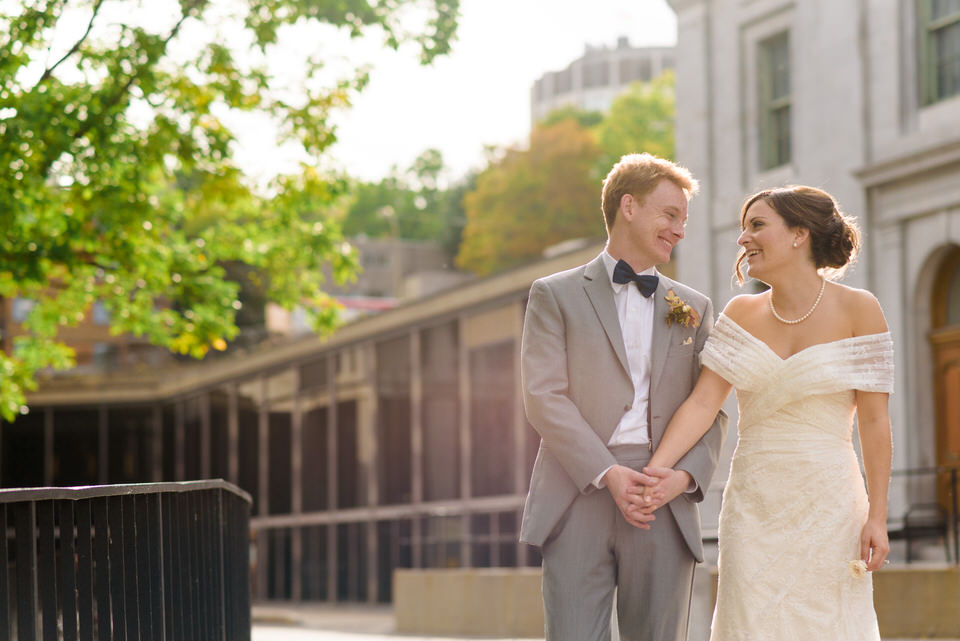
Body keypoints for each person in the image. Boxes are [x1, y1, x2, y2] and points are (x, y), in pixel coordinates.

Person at [639, 185, 893, 640]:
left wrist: (877, 515)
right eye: (743, 227)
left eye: (757, 225)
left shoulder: (861, 309)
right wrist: (653, 474)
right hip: (753, 507)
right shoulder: (740, 313)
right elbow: (702, 403)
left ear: (799, 234)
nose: (743, 238)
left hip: (831, 506)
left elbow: (875, 422)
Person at [519, 152, 728, 641]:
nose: (679, 230)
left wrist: (681, 478)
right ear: (628, 207)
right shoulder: (553, 294)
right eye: (670, 215)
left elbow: (711, 409)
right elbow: (543, 396)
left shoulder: (693, 307)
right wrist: (607, 473)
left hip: (663, 499)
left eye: (684, 220)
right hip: (577, 491)